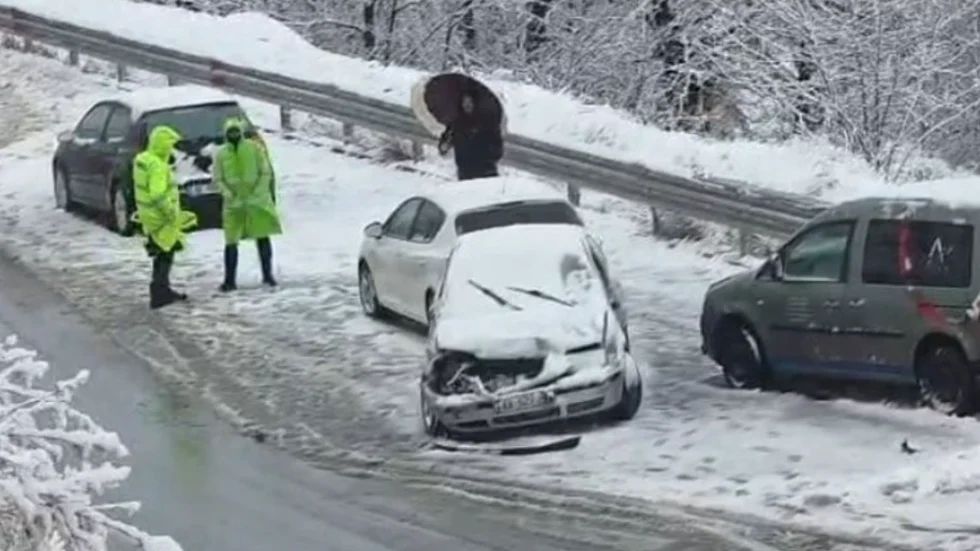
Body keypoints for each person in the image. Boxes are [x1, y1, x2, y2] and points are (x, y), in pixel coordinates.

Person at [132, 125, 198, 309]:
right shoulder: (158, 166)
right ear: (163, 145)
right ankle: (160, 292)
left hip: (149, 216)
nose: (173, 150)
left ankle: (160, 289)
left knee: (162, 251)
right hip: (161, 217)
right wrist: (171, 212)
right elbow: (157, 194)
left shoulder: (143, 161)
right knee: (166, 253)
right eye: (170, 145)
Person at [213, 117, 282, 292]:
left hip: (256, 202)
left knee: (262, 235)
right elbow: (218, 178)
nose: (234, 135)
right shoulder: (221, 154)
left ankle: (268, 275)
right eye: (231, 132)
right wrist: (229, 195)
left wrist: (258, 193)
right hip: (233, 205)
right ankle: (229, 280)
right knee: (231, 241)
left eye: (236, 131)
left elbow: (265, 172)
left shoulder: (254, 148)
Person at [437, 91, 504, 181]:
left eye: (469, 102)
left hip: (486, 171)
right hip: (465, 171)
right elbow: (446, 141)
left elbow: (497, 148)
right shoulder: (457, 123)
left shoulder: (488, 122)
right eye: (464, 102)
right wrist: (444, 147)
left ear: (475, 102)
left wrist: (485, 154)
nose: (466, 105)